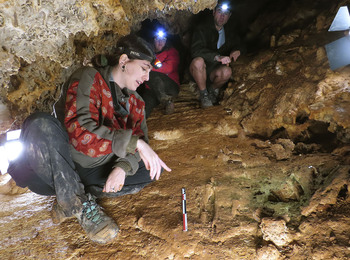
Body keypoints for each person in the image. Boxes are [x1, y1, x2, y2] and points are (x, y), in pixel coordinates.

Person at [7, 34, 171, 244]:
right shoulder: (88, 77)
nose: (147, 77)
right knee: (40, 123)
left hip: (94, 169)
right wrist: (135, 144)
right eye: (144, 68)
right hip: (59, 165)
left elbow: (140, 145)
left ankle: (71, 196)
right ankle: (83, 206)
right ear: (123, 61)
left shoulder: (137, 102)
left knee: (151, 167)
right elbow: (81, 134)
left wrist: (121, 166)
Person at [190, 0, 245, 108]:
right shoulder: (202, 28)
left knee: (227, 71)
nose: (222, 16)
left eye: (225, 14)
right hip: (199, 70)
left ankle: (212, 90)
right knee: (198, 61)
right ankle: (204, 94)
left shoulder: (230, 32)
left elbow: (242, 44)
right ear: (214, 12)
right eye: (220, 12)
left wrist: (238, 50)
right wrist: (217, 57)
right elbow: (195, 50)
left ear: (229, 16)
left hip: (213, 71)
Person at [137, 28, 180, 117]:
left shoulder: (171, 52)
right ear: (153, 40)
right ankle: (138, 128)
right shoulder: (148, 54)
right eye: (157, 39)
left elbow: (169, 68)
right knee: (144, 107)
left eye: (163, 39)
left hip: (170, 86)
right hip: (152, 89)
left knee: (149, 73)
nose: (160, 42)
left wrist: (148, 68)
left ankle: (165, 99)